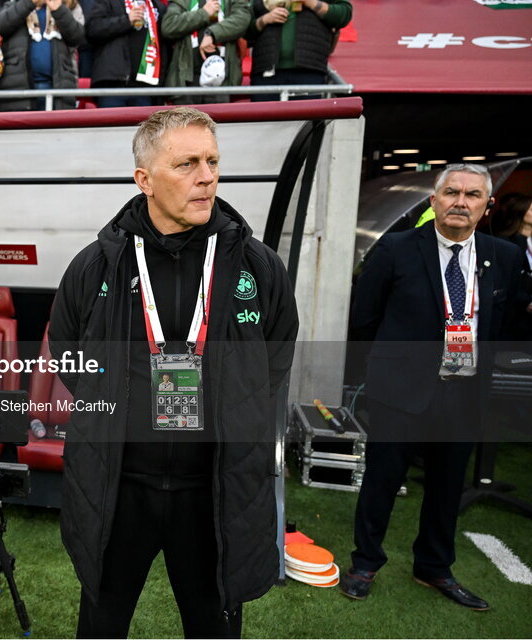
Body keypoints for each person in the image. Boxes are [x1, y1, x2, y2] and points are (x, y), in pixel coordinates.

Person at [49, 107, 299, 638]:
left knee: (213, 626)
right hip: (121, 486)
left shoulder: (258, 266)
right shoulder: (97, 264)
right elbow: (69, 355)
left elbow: (274, 360)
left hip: (213, 488)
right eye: (187, 164)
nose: (206, 176)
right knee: (101, 623)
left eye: (212, 161)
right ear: (145, 180)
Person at [342, 163, 529, 611]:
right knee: (383, 481)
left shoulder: (503, 257)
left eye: (471, 195)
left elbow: (508, 322)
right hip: (400, 391)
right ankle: (365, 562)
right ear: (434, 200)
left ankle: (434, 567)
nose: (460, 202)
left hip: (464, 391)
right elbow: (363, 318)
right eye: (451, 192)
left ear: (486, 206)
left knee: (447, 487)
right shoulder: (396, 249)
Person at [245, 0, 350, 101]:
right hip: (266, 72)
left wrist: (311, 3)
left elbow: (344, 14)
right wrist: (264, 20)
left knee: (307, 117)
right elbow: (245, 30)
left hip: (309, 70)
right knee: (265, 117)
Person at [0, 0, 85, 111]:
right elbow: (0, 25)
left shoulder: (62, 6)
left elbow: (77, 37)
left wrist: (59, 10)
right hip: (19, 90)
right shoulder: (13, 4)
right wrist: (29, 3)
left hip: (56, 88)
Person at [160, 0, 249, 104]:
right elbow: (168, 26)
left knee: (217, 119)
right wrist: (204, 13)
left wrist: (212, 34)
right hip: (187, 78)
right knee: (187, 120)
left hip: (221, 80)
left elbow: (242, 20)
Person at [85, 0, 167, 108]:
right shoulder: (107, 2)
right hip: (113, 85)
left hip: (146, 87)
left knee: (142, 125)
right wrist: (127, 20)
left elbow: (164, 47)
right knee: (112, 124)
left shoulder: (157, 5)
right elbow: (92, 28)